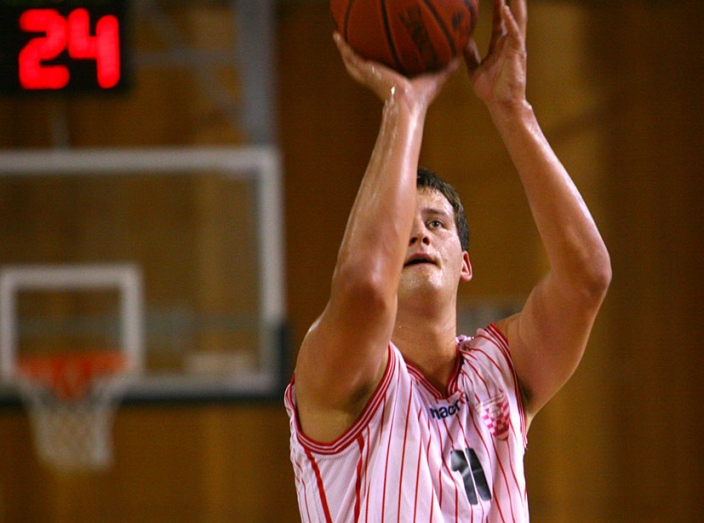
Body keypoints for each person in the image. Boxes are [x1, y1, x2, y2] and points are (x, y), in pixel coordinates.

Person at [285, 0, 611, 520]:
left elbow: (588, 276)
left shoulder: (501, 373)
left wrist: (513, 110)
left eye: (436, 223)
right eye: (403, 230)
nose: (419, 234)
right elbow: (365, 287)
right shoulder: (343, 376)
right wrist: (405, 106)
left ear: (465, 263)